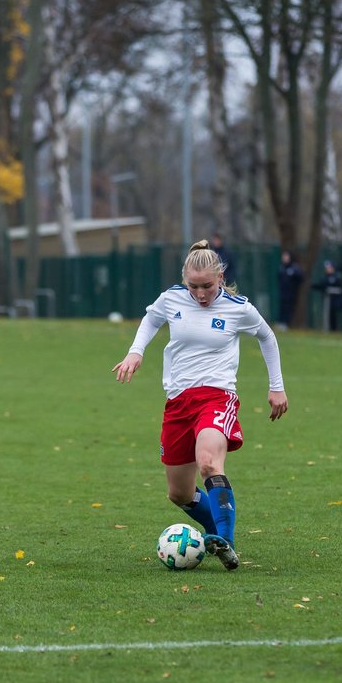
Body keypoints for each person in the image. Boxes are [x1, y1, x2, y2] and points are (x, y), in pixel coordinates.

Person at [113, 240, 288, 570]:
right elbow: (151, 319)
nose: (201, 293)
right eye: (194, 286)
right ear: (185, 279)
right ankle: (215, 534)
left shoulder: (239, 308)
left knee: (208, 462)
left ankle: (227, 541)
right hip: (178, 402)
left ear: (220, 277)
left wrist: (276, 387)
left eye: (207, 286)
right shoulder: (173, 299)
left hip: (216, 397)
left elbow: (267, 336)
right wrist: (136, 351)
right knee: (178, 493)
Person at [312, 260, 342, 332]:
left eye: (329, 267)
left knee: (336, 315)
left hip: (337, 301)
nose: (328, 269)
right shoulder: (325, 277)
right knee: (329, 315)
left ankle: (335, 329)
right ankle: (330, 329)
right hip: (328, 301)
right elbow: (322, 285)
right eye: (327, 268)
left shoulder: (337, 277)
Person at [276, 249, 304, 329]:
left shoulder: (294, 268)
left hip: (291, 293)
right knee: (282, 307)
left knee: (288, 309)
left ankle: (286, 323)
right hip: (282, 292)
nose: (284, 258)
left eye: (286, 256)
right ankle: (281, 323)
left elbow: (300, 278)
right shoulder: (281, 267)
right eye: (283, 256)